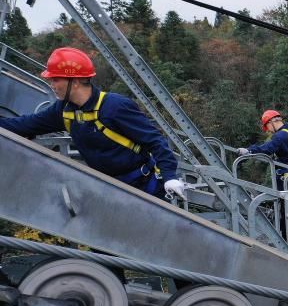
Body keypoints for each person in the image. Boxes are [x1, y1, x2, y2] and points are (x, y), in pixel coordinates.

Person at [0, 47, 185, 200]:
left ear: (76, 81)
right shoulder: (64, 111)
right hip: (108, 191)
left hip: (144, 190)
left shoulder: (114, 107)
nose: (52, 84)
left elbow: (155, 140)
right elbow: (24, 124)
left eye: (55, 79)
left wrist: (169, 177)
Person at [238, 109, 288, 247]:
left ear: (272, 122)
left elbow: (266, 149)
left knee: (287, 210)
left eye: (267, 127)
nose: (268, 131)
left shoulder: (279, 137)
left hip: (286, 178)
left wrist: (249, 151)